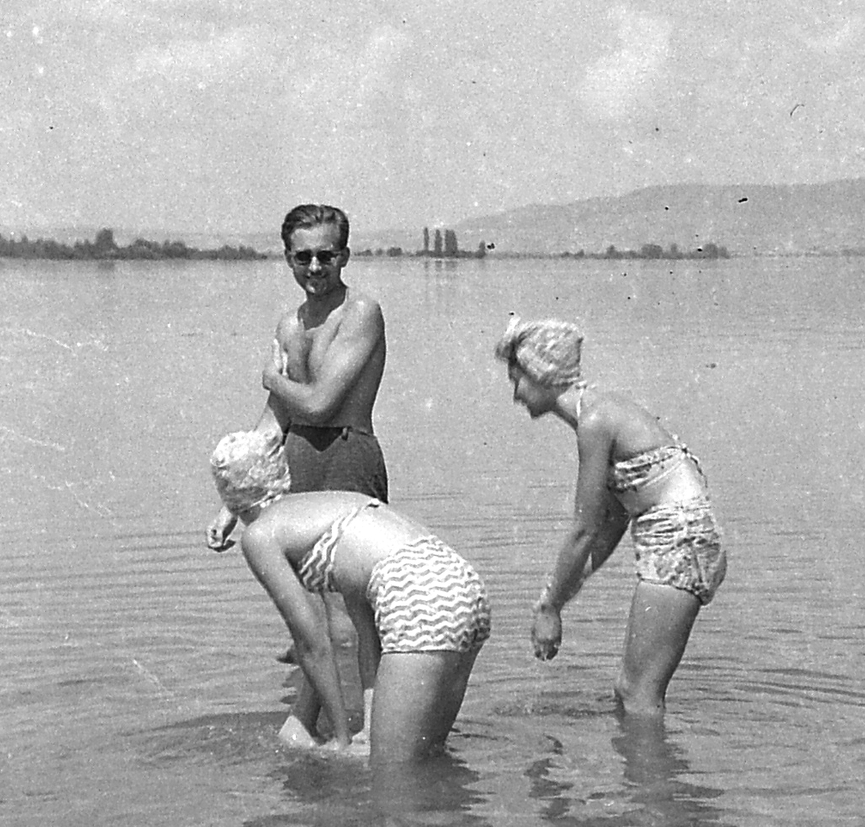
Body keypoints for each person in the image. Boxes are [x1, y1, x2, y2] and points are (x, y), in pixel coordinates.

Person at [206, 204, 389, 723]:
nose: (314, 268)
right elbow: (274, 422)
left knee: (356, 612)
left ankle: (373, 727)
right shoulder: (289, 323)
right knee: (309, 613)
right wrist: (230, 504)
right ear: (287, 259)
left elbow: (318, 404)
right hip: (297, 461)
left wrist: (272, 376)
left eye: (325, 256)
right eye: (302, 257)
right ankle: (319, 728)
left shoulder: (360, 312)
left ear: (344, 255)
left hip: (348, 454)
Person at [210, 429, 490, 761]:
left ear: (228, 495)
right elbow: (366, 629)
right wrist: (366, 732)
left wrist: (341, 738)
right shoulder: (333, 504)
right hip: (463, 586)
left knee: (392, 778)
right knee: (426, 759)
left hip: (415, 593)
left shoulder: (260, 535)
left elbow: (312, 642)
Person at [494, 316, 727, 714]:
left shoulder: (595, 421)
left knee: (637, 694)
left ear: (542, 373)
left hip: (680, 545)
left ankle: (653, 776)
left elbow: (584, 529)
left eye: (517, 379)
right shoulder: (600, 412)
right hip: (684, 543)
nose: (515, 394)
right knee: (630, 693)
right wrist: (562, 594)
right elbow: (613, 522)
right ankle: (644, 774)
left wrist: (549, 607)